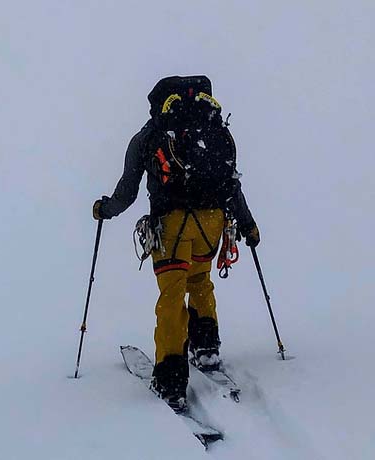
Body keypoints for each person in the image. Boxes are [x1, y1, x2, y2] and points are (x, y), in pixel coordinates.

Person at [93, 76, 260, 411]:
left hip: (173, 226)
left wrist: (104, 209)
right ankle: (206, 347)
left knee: (171, 293)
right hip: (213, 223)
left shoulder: (149, 136)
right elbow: (232, 184)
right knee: (200, 280)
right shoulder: (215, 130)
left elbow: (127, 191)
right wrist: (248, 223)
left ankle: (170, 379)